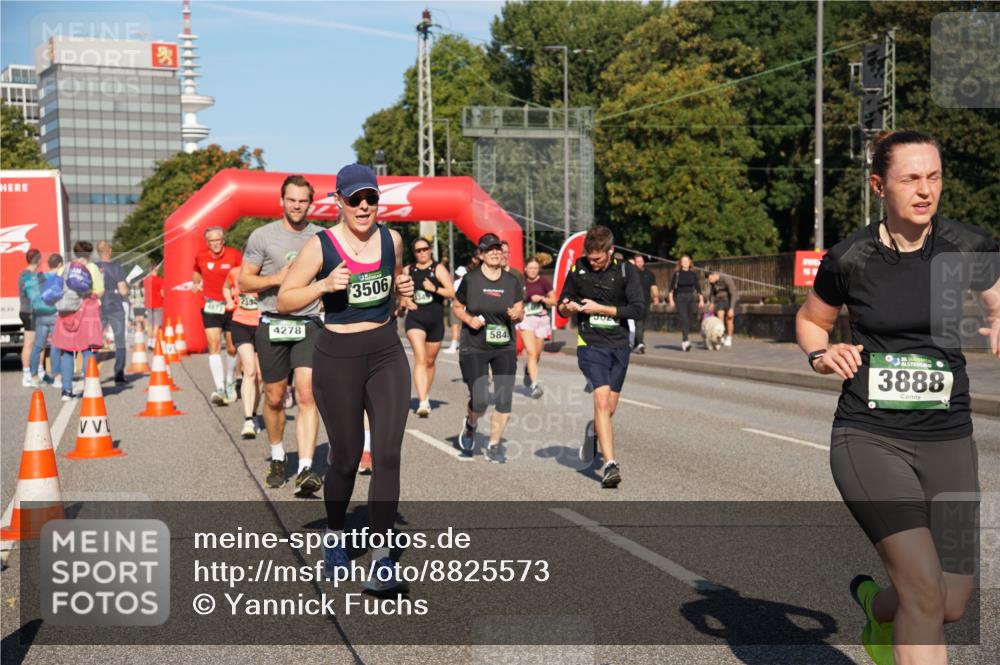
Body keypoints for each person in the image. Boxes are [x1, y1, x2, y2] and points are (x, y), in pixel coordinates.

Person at [796, 130, 1000, 665]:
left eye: (933, 177)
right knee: (924, 592)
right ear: (878, 185)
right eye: (911, 178)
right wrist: (822, 354)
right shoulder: (851, 257)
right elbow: (811, 321)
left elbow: (998, 299)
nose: (925, 189)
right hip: (870, 437)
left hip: (948, 439)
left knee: (951, 602)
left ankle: (874, 608)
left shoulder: (967, 246)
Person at [277, 163, 414, 592]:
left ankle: (381, 560)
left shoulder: (393, 239)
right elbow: (284, 299)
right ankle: (335, 535)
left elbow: (390, 287)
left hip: (386, 352)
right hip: (337, 357)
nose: (364, 206)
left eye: (371, 198)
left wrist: (402, 292)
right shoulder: (321, 247)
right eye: (355, 199)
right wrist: (322, 287)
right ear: (339, 201)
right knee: (347, 457)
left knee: (388, 455)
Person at [240, 175, 324, 495]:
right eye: (291, 200)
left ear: (310, 204)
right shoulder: (263, 236)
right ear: (282, 201)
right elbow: (245, 282)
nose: (297, 206)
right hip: (273, 321)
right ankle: (278, 456)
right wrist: (278, 278)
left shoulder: (321, 237)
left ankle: (305, 468)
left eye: (303, 201)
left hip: (309, 322)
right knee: (274, 397)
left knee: (306, 394)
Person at [558, 226, 645, 488]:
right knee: (602, 399)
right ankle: (610, 465)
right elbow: (562, 304)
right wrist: (566, 306)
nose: (593, 263)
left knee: (609, 409)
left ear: (611, 251)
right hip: (590, 343)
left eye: (598, 258)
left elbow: (638, 309)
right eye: (590, 257)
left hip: (619, 345)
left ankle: (592, 432)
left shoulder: (625, 271)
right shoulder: (579, 268)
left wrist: (602, 309)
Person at [453, 233, 524, 463]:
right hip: (475, 346)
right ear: (481, 254)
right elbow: (457, 306)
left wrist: (517, 314)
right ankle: (471, 424)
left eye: (498, 249)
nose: (495, 252)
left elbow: (519, 309)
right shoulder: (471, 280)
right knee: (481, 399)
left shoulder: (512, 281)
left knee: (504, 398)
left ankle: (493, 445)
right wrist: (468, 319)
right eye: (489, 249)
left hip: (504, 346)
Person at [401, 237, 455, 417]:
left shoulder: (438, 269)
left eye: (425, 249)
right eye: (418, 250)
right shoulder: (408, 270)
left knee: (430, 362)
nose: (422, 252)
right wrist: (405, 300)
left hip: (435, 320)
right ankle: (423, 401)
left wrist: (434, 288)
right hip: (415, 319)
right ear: (414, 253)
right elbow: (400, 293)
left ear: (430, 250)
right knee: (421, 358)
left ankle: (426, 394)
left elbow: (451, 293)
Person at [193, 227, 242, 405]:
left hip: (231, 306)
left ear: (223, 240)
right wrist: (196, 283)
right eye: (211, 241)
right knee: (213, 346)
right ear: (207, 242)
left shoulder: (234, 255)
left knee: (231, 348)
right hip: (211, 305)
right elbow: (196, 271)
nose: (215, 244)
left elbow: (242, 274)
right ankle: (219, 388)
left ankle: (230, 381)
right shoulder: (201, 256)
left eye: (218, 240)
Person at [51, 241, 105, 401]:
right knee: (88, 350)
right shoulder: (92, 268)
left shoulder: (64, 268)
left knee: (67, 352)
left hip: (66, 314)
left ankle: (66, 390)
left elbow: (56, 289)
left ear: (75, 253)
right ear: (89, 254)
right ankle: (90, 388)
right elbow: (100, 291)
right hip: (86, 312)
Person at [225, 265, 262, 439]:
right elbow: (225, 287)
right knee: (250, 370)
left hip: (263, 324)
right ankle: (248, 419)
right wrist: (229, 300)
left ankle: (253, 414)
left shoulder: (268, 272)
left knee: (260, 377)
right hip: (241, 323)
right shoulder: (235, 272)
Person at [517, 256, 555, 398]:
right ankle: (535, 385)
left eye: (535, 268)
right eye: (530, 268)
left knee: (537, 354)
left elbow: (554, 300)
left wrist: (542, 299)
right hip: (526, 319)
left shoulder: (544, 282)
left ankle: (528, 369)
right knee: (531, 353)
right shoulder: (521, 281)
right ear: (525, 269)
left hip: (541, 319)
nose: (533, 271)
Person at [95, 241, 130, 384]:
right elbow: (123, 291)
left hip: (97, 307)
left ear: (98, 252)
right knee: (119, 340)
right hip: (115, 306)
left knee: (93, 341)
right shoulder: (117, 268)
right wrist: (127, 288)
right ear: (109, 250)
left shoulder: (94, 268)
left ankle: (90, 372)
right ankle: (119, 375)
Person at [27, 253, 60, 386]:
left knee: (38, 346)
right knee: (56, 346)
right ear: (59, 265)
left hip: (40, 314)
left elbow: (30, 292)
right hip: (54, 315)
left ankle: (33, 376)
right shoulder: (58, 279)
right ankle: (56, 376)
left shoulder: (40, 277)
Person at [668, 255, 704, 352]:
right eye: (683, 261)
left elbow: (698, 287)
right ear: (680, 263)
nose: (685, 262)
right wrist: (671, 300)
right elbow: (671, 288)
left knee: (689, 319)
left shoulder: (693, 274)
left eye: (687, 261)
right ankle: (685, 340)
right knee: (684, 319)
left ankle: (686, 337)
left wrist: (701, 300)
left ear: (690, 262)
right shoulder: (677, 274)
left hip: (691, 298)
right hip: (680, 298)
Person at [18, 249, 42, 387]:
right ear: (38, 260)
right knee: (29, 343)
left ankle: (35, 373)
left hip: (29, 311)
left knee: (36, 344)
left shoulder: (28, 274)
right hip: (30, 312)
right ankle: (26, 375)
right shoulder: (28, 275)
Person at [631, 254, 659, 354]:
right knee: (638, 323)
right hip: (633, 301)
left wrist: (655, 297)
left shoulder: (649, 274)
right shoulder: (631, 273)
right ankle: (640, 343)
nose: (639, 263)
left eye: (641, 261)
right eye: (637, 261)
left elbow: (653, 286)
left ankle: (636, 343)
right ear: (634, 262)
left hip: (646, 301)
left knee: (641, 324)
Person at [704, 269, 738, 348]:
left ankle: (729, 338)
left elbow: (734, 293)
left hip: (730, 299)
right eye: (709, 280)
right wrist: (712, 302)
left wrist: (731, 308)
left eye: (710, 279)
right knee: (720, 317)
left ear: (715, 274)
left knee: (729, 318)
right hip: (721, 300)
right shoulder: (713, 282)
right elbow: (712, 293)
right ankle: (721, 336)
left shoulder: (726, 279)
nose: (710, 281)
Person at [444, 265, 468, 354]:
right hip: (466, 308)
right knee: (464, 327)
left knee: (455, 326)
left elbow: (452, 294)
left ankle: (454, 345)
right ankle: (463, 345)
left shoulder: (457, 282)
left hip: (456, 306)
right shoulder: (469, 282)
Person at [143, 263, 164, 348]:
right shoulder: (160, 280)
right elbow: (162, 293)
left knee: (150, 324)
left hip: (148, 304)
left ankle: (149, 342)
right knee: (156, 324)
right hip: (158, 303)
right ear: (156, 270)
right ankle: (154, 343)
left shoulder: (146, 280)